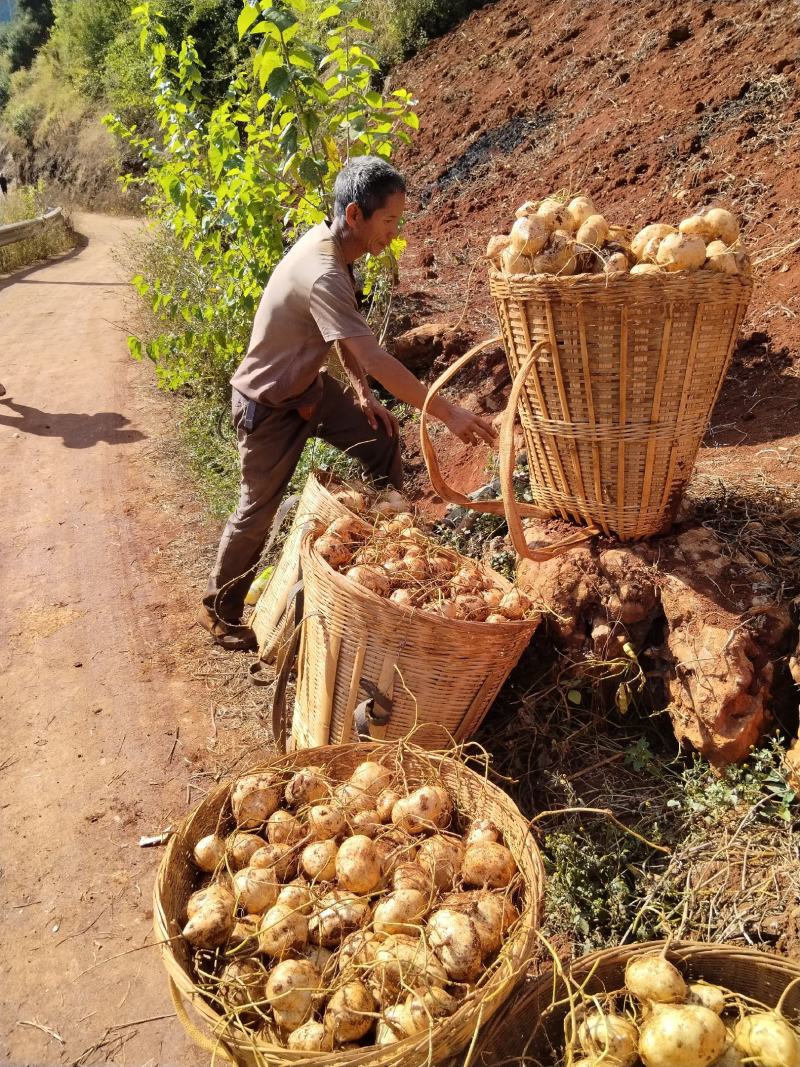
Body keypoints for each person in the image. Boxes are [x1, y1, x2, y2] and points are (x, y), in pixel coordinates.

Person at [199, 155, 496, 650]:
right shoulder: (324, 271)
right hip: (267, 404)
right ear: (355, 215)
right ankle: (219, 610)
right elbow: (372, 355)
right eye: (389, 221)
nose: (394, 233)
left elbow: (341, 336)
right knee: (257, 510)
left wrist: (360, 394)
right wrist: (448, 412)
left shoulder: (337, 252)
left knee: (382, 438)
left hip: (308, 390)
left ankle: (388, 541)